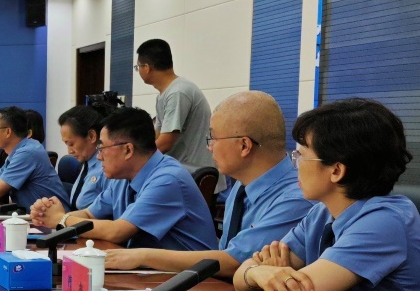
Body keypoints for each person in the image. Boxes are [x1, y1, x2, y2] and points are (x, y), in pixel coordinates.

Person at [232, 98, 420, 291]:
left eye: (301, 156)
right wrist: (260, 273)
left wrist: (269, 280)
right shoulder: (321, 213)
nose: (295, 165)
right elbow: (241, 277)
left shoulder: (386, 221)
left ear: (336, 171)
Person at [106, 91, 311, 277]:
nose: (209, 147)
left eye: (213, 137)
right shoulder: (241, 186)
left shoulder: (296, 198)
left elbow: (234, 262)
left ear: (244, 146)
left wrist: (142, 256)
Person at [29, 107, 217, 250]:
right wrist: (48, 215)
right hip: (148, 270)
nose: (99, 157)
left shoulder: (167, 179)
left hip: (196, 281)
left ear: (128, 150)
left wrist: (62, 219)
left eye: (102, 148)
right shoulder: (122, 177)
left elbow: (118, 231)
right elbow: (89, 214)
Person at [135, 38, 216, 174]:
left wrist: (138, 160)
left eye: (138, 67)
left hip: (197, 174)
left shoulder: (178, 92)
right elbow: (157, 135)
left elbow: (165, 142)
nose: (138, 71)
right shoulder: (164, 94)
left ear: (147, 67)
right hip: (182, 170)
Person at [0, 107, 66, 208]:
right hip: (34, 213)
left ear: (8, 132)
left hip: (53, 216)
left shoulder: (27, 153)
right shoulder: (17, 152)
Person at [57, 105, 110, 211]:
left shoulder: (107, 168)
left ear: (91, 136)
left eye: (71, 144)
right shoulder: (86, 163)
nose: (69, 151)